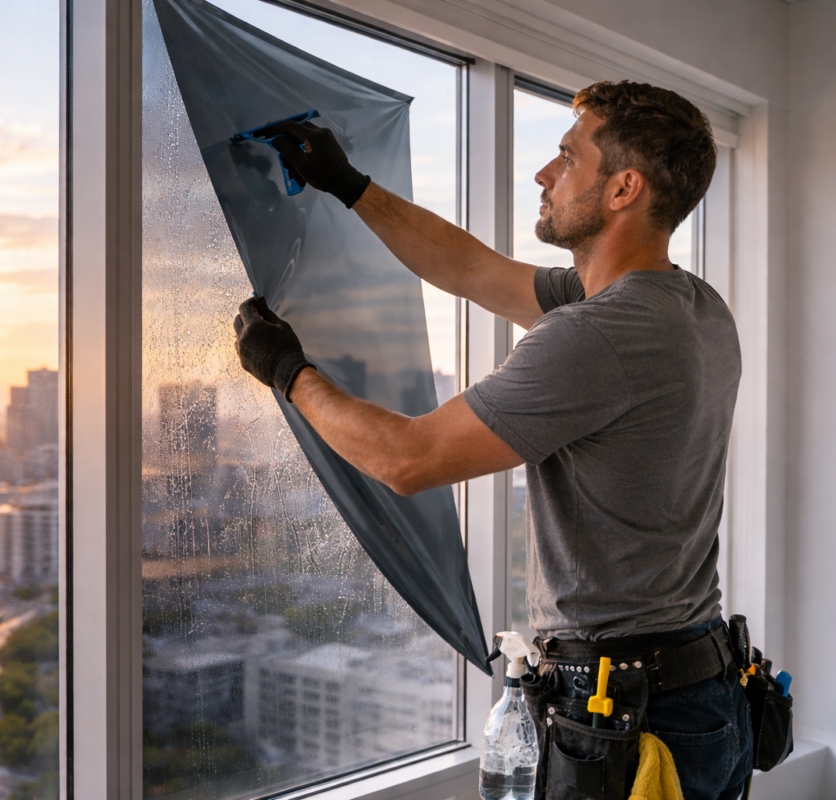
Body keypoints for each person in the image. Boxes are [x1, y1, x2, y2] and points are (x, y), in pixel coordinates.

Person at [232, 81, 751, 800]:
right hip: (700, 695)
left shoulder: (599, 334)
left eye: (567, 158)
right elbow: (471, 271)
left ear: (623, 188)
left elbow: (407, 459)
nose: (544, 173)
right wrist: (349, 186)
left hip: (632, 725)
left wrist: (288, 371)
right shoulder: (689, 305)